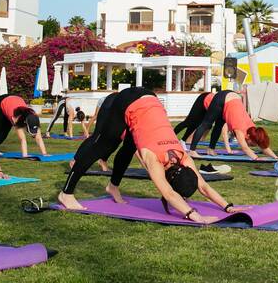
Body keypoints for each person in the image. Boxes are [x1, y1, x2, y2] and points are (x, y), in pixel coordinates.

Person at [57, 87, 243, 221]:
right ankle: (66, 193)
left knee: (129, 146)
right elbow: (169, 194)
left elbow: (204, 188)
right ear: (170, 179)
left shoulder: (182, 155)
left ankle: (113, 187)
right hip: (127, 101)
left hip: (150, 98)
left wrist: (227, 206)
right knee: (103, 146)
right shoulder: (153, 157)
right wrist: (196, 216)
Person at [177, 90, 278, 162]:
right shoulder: (240, 128)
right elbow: (244, 147)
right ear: (248, 137)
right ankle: (192, 150)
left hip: (231, 102)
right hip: (222, 98)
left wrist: (275, 157)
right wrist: (256, 158)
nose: (252, 146)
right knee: (206, 124)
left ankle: (210, 149)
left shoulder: (252, 128)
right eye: (252, 144)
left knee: (218, 126)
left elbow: (262, 145)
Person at [0, 91, 48, 158]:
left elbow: (38, 138)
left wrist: (44, 153)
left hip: (13, 102)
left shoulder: (34, 117)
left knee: (6, 130)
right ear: (25, 123)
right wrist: (25, 155)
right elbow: (22, 139)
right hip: (1, 102)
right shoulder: (17, 118)